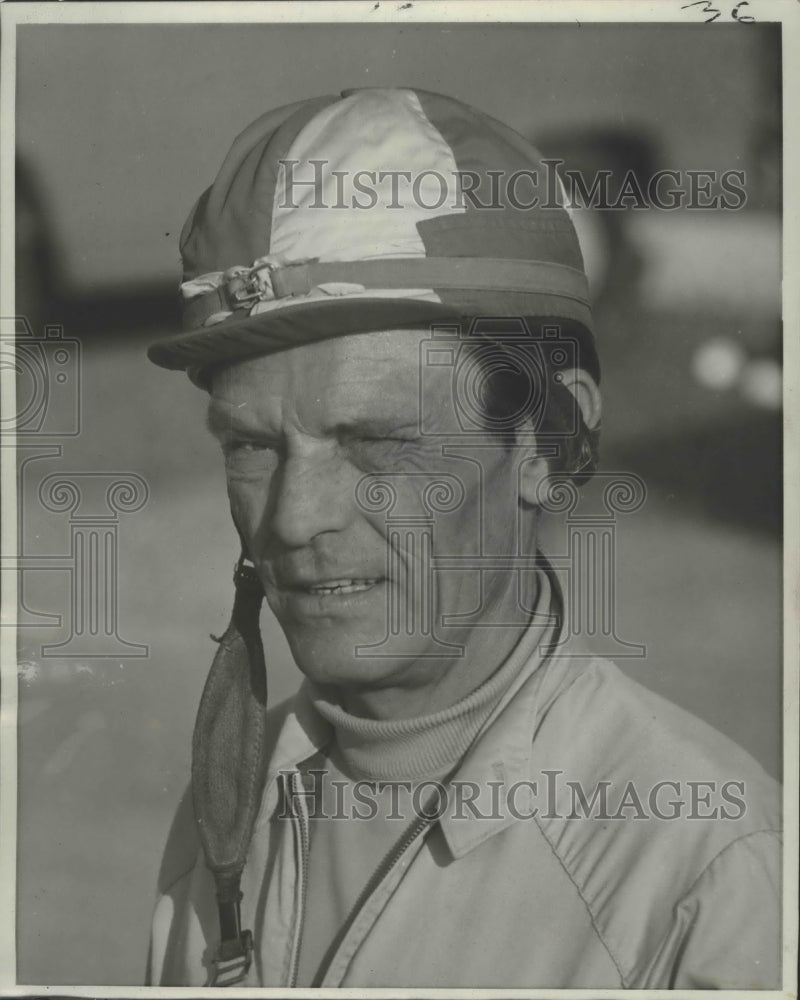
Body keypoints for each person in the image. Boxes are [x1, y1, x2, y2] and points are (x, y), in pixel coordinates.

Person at [145, 88, 781, 989]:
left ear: (549, 440)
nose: (293, 517)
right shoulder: (226, 807)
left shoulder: (709, 881)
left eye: (375, 440)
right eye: (252, 446)